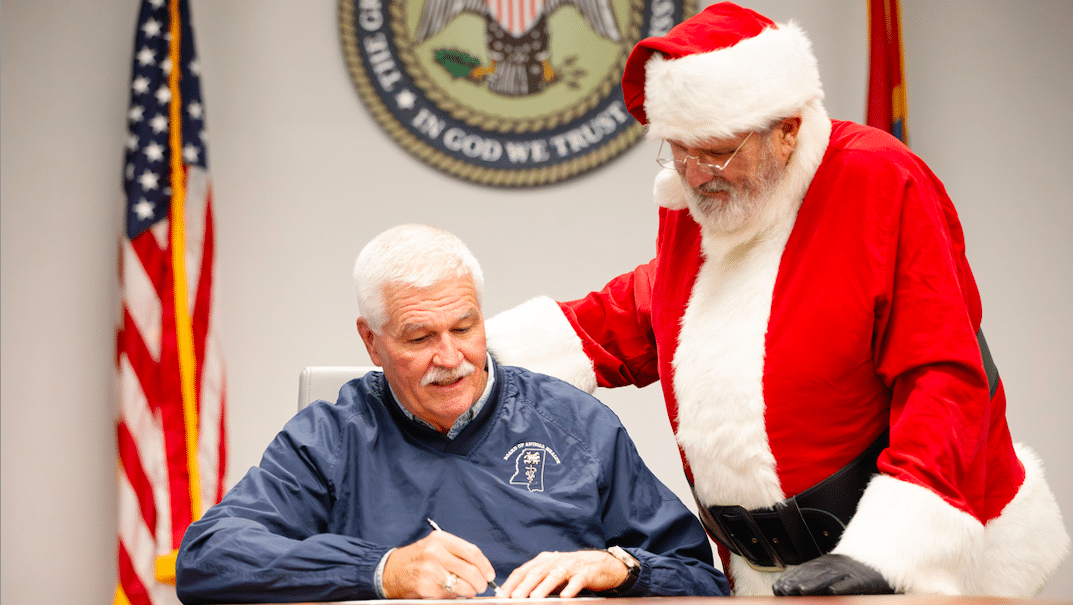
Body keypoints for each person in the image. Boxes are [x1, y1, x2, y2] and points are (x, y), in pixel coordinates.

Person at [485, 2, 1069, 596]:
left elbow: (946, 375)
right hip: (768, 573)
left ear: (787, 130)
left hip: (919, 566)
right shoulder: (708, 196)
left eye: (717, 151)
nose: (695, 172)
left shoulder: (879, 180)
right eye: (678, 150)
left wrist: (892, 549)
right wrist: (472, 352)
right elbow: (658, 305)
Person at [175, 224, 729, 604]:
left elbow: (702, 579)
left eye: (464, 328)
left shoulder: (576, 424)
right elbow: (206, 558)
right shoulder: (332, 437)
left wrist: (621, 568)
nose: (451, 358)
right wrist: (383, 570)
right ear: (371, 343)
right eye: (419, 337)